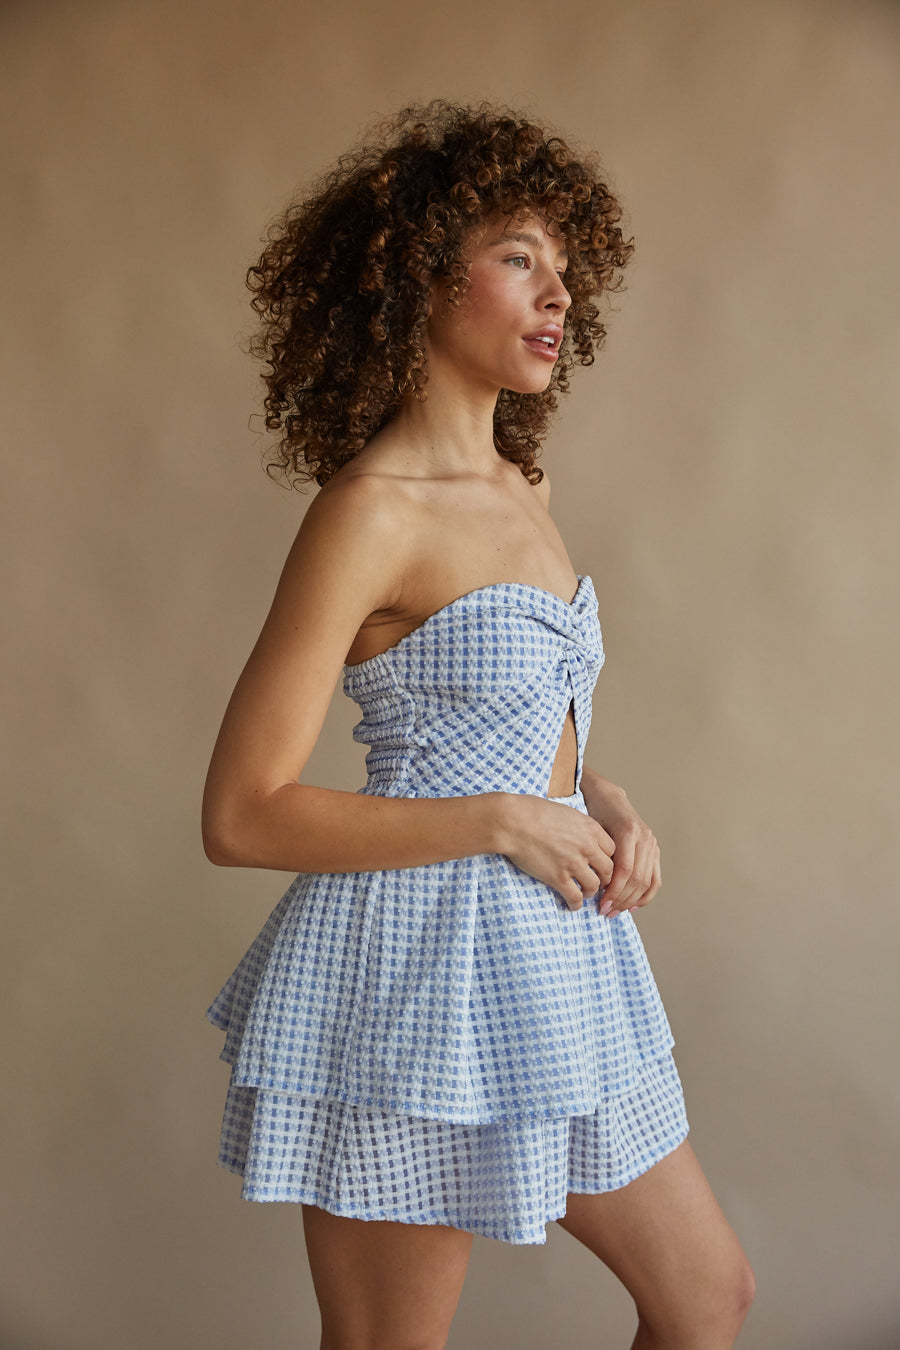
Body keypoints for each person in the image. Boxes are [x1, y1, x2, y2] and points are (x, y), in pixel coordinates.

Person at [202, 101, 755, 1350]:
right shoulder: (370, 512)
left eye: (566, 268)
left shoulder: (522, 485)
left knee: (707, 1299)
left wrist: (598, 798)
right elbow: (240, 814)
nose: (557, 294)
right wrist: (508, 820)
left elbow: (497, 718)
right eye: (518, 257)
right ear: (418, 274)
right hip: (409, 973)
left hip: (558, 954)